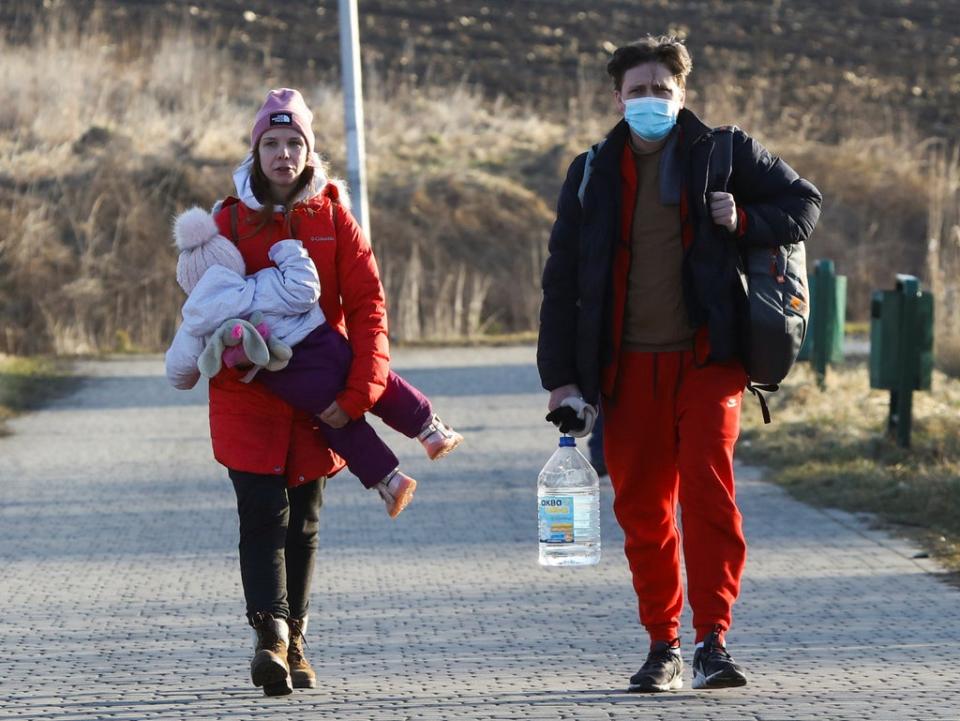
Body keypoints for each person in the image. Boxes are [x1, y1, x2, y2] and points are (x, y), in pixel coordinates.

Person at [537, 37, 821, 692]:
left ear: (682, 94)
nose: (649, 101)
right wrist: (562, 377)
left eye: (662, 90)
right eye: (637, 91)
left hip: (707, 360)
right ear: (616, 98)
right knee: (642, 507)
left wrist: (744, 216)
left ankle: (712, 639)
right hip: (626, 369)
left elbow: (804, 204)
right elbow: (562, 282)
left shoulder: (723, 153)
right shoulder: (591, 172)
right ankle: (662, 642)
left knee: (708, 492)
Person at [163, 88, 460, 697]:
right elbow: (200, 302)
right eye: (270, 142)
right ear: (255, 151)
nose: (282, 153)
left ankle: (295, 636)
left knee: (303, 523)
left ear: (308, 150)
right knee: (260, 517)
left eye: (293, 142)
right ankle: (269, 636)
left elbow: (369, 308)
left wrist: (359, 392)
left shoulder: (331, 217)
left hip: (322, 399)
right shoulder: (225, 222)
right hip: (247, 398)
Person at [165, 207, 462, 518]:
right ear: (233, 261)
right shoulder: (261, 284)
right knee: (381, 384)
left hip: (293, 379)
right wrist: (290, 253)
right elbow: (305, 291)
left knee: (338, 425)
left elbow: (178, 372)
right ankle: (431, 432)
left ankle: (389, 481)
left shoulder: (196, 322)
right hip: (323, 346)